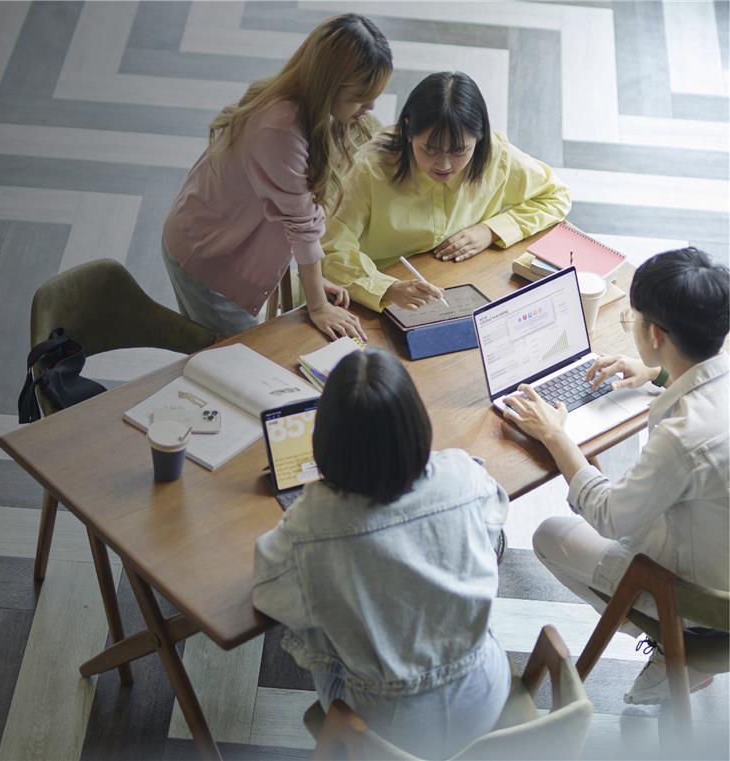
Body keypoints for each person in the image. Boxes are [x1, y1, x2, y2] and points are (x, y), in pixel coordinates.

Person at [253, 349, 510, 759]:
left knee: (318, 616)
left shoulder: (312, 523)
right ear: (415, 423)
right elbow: (495, 515)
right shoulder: (463, 473)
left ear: (326, 443)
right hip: (484, 694)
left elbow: (268, 590)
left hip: (386, 729)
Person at [502, 247, 729, 705]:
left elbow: (609, 516)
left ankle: (675, 652)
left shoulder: (685, 437)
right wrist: (659, 372)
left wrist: (555, 436)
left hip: (707, 607)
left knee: (550, 534)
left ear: (654, 332)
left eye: (634, 319)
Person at [162, 14, 393, 340]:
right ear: (329, 86)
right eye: (360, 97)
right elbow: (302, 225)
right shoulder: (279, 129)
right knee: (230, 362)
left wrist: (312, 283)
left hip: (221, 234)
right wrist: (317, 305)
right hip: (211, 258)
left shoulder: (304, 107)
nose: (369, 107)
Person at [321, 71, 571, 312]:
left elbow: (555, 196)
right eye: (430, 150)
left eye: (460, 151)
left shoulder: (497, 155)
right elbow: (330, 250)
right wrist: (387, 288)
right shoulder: (370, 169)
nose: (444, 165)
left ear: (480, 137)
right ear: (408, 129)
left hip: (462, 277)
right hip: (371, 291)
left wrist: (491, 230)